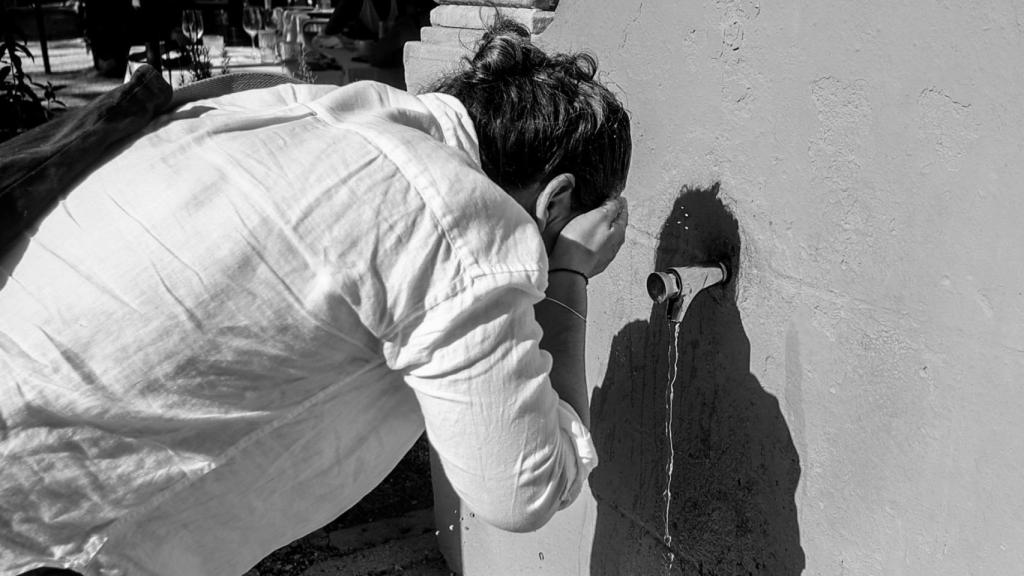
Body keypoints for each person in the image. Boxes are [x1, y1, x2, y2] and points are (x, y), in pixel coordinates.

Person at [0, 18, 631, 576]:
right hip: (42, 528)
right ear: (555, 201)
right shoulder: (459, 220)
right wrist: (570, 272)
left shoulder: (306, 108)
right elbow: (524, 491)